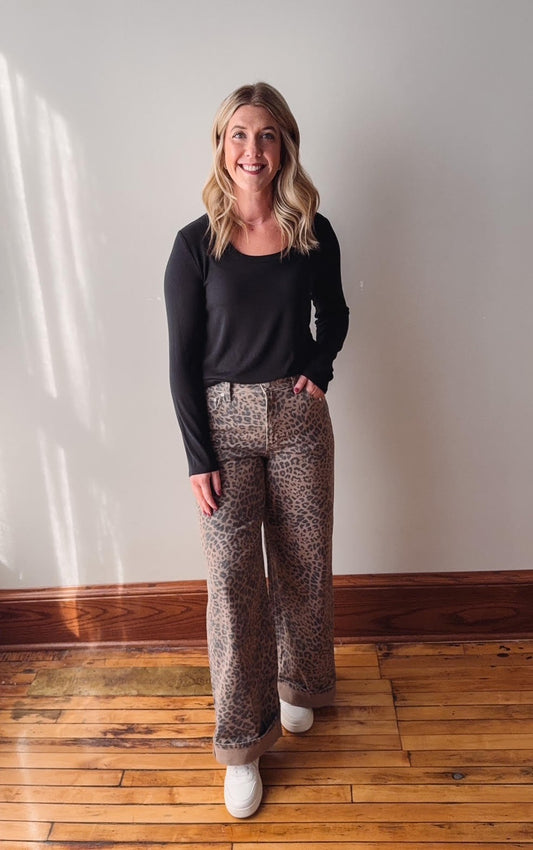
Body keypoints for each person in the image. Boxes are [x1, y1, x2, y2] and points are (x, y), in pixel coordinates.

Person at [164, 82, 349, 819]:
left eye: (266, 136)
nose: (252, 150)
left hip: (298, 418)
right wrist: (196, 455)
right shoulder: (193, 245)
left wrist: (319, 367)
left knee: (305, 560)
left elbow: (332, 314)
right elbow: (180, 359)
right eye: (239, 135)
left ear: (284, 147)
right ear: (221, 147)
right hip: (223, 423)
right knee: (232, 588)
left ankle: (299, 685)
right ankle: (242, 744)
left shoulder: (311, 230)